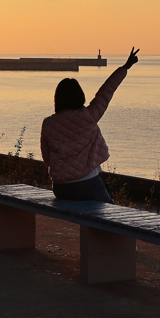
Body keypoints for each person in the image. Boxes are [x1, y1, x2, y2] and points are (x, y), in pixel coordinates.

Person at [40, 47, 140, 202]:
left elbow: (47, 160)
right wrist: (125, 67)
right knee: (111, 216)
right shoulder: (89, 115)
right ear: (80, 96)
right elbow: (106, 91)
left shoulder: (48, 123)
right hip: (87, 184)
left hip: (60, 188)